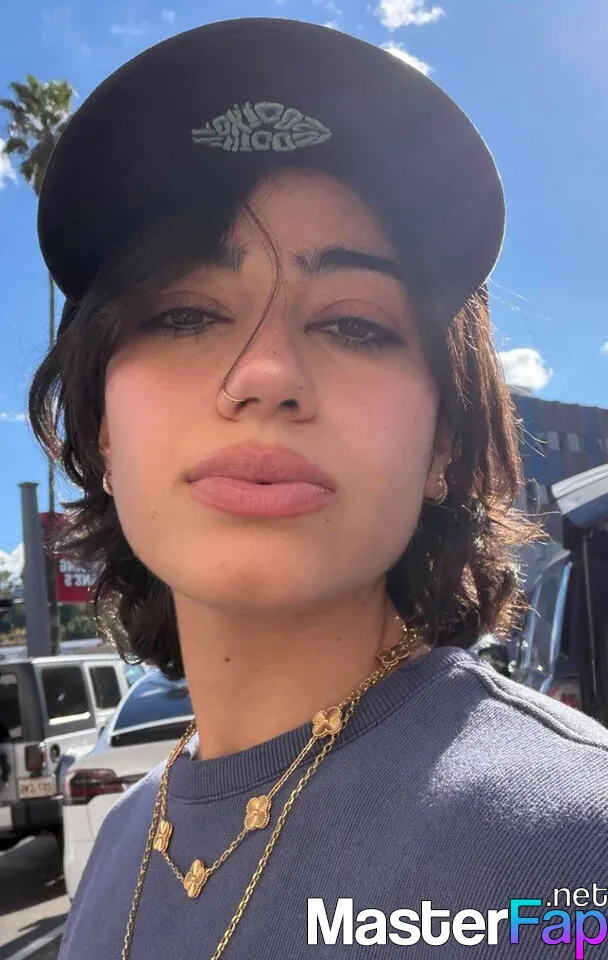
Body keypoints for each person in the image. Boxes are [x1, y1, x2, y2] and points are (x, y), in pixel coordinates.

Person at [31, 18, 608, 960]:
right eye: (184, 313)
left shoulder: (574, 854)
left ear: (444, 439)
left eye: (354, 325)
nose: (266, 374)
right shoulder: (123, 845)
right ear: (100, 422)